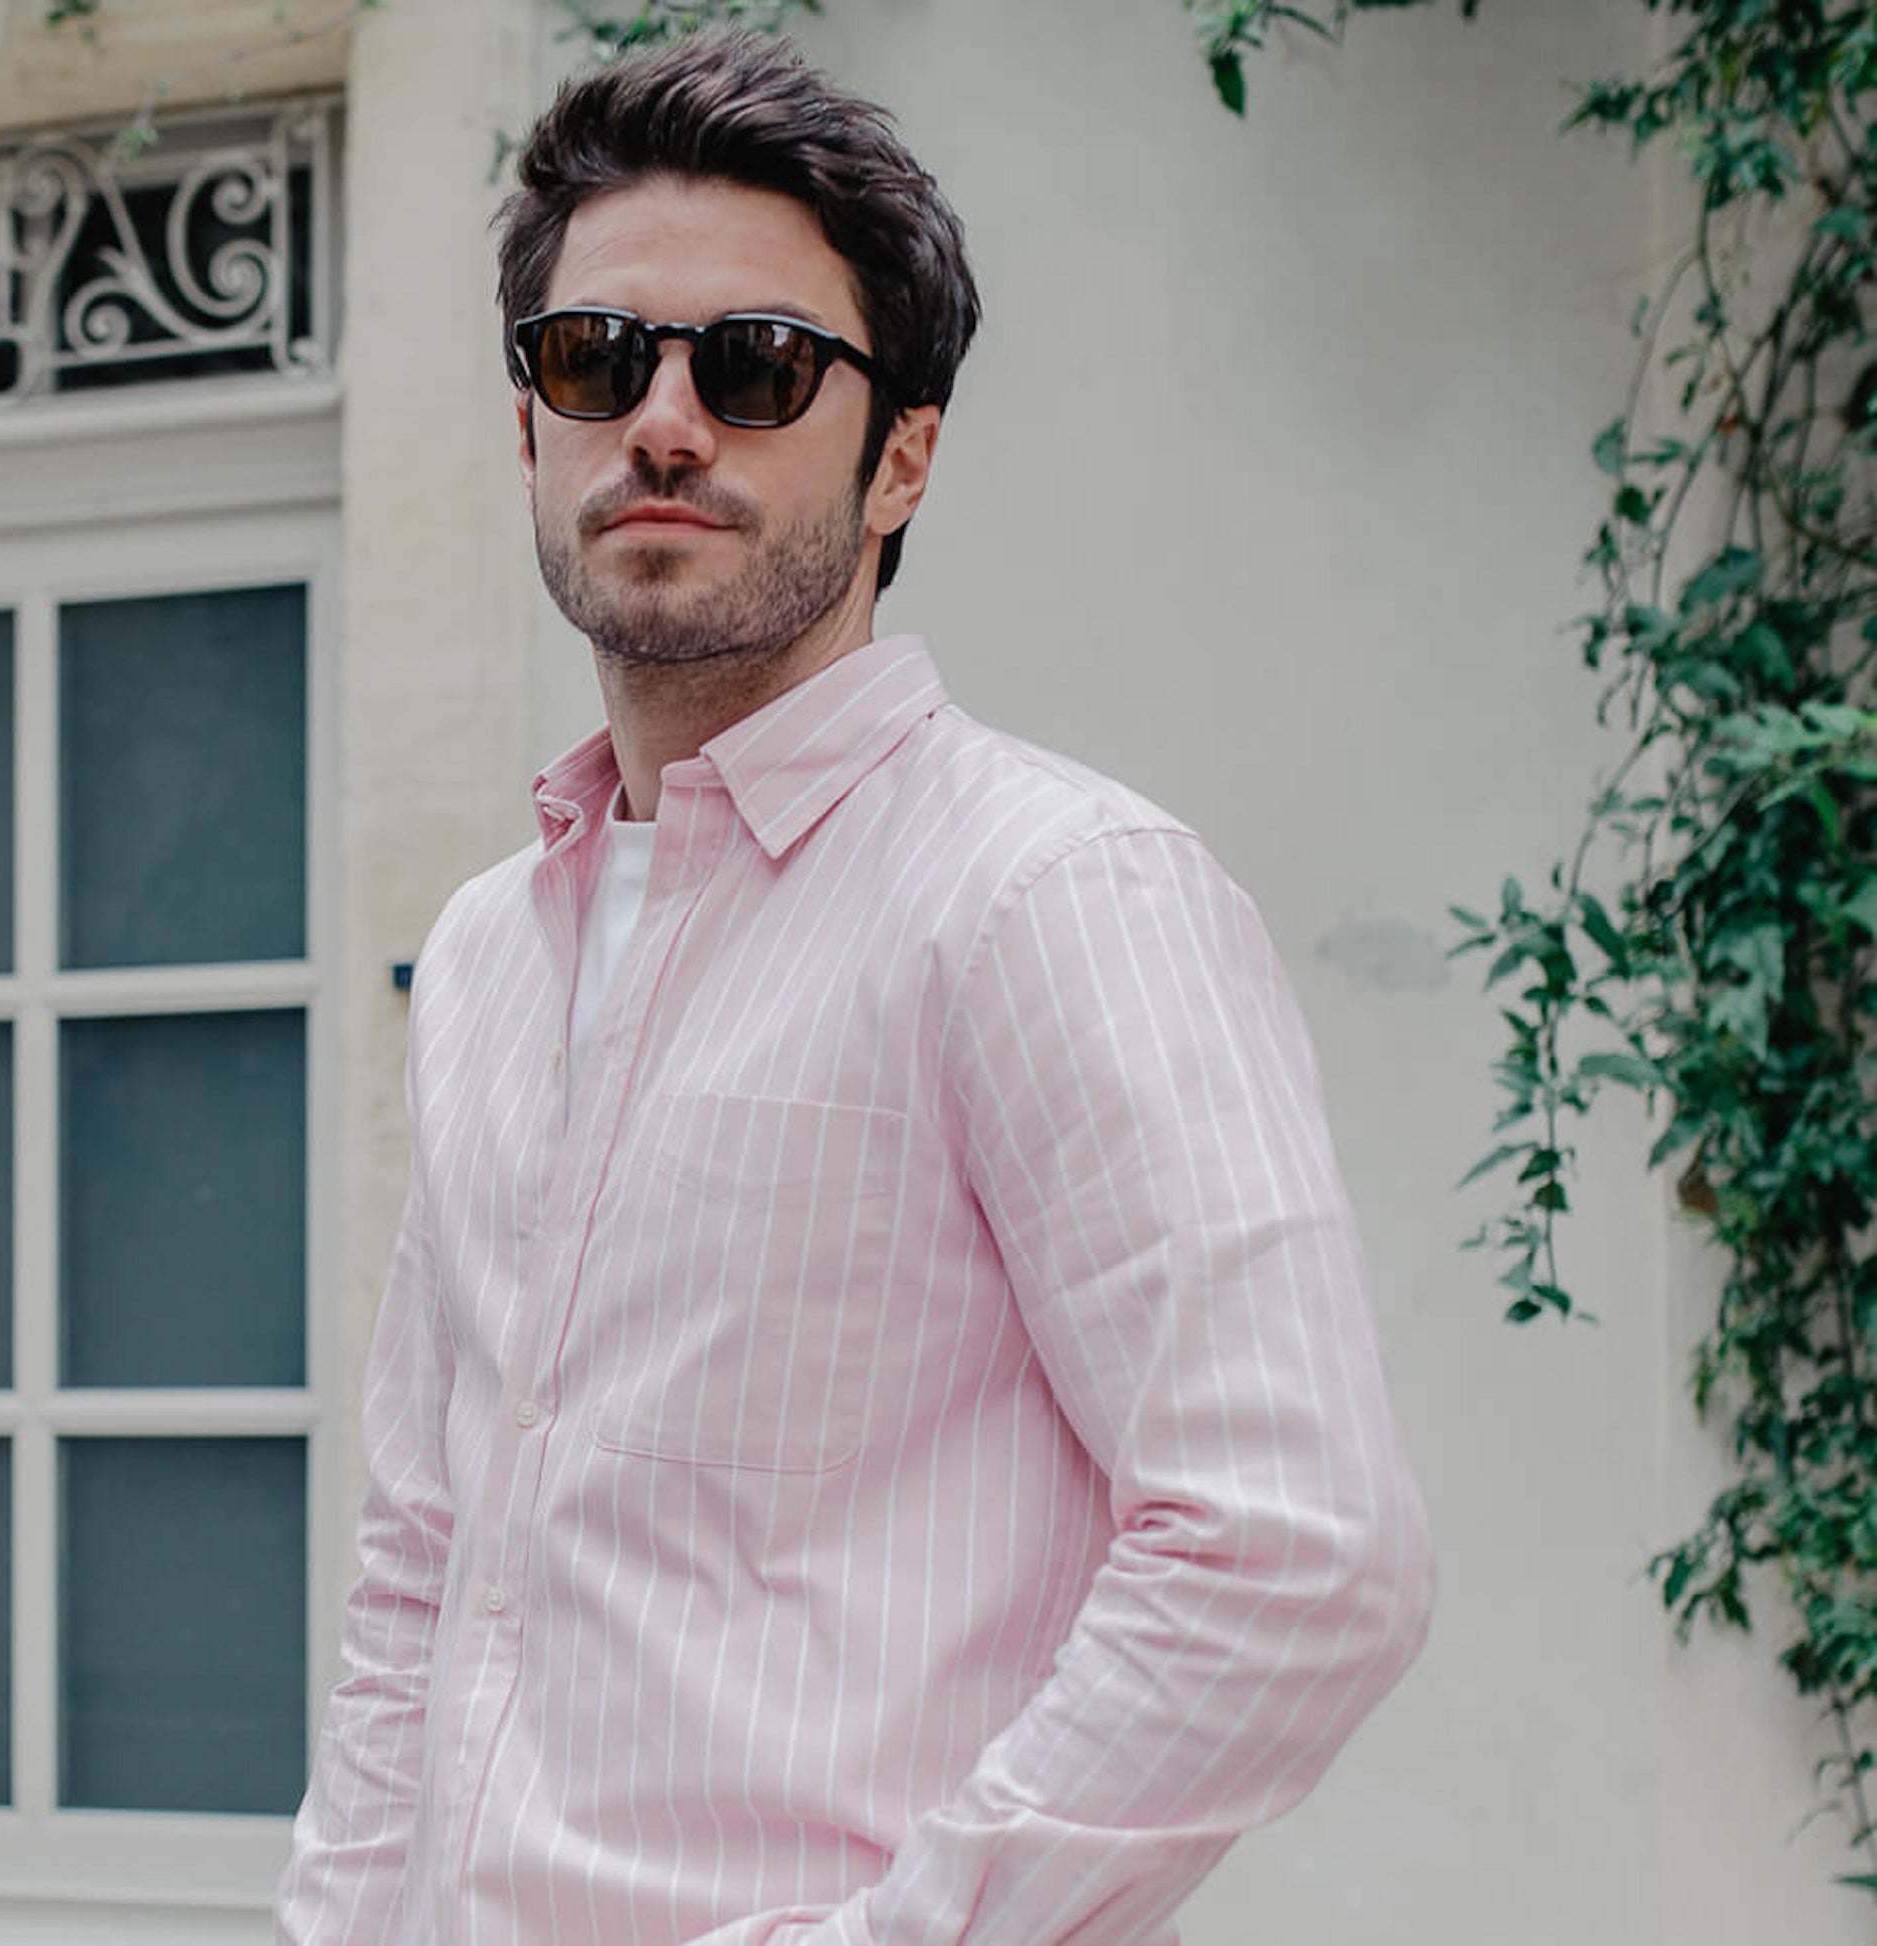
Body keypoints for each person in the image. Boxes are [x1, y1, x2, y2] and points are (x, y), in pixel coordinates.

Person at [277, 27, 1433, 1944]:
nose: (664, 423)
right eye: (594, 358)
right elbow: (425, 1554)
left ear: (900, 453)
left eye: (754, 367)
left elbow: (1292, 1555)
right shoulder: (490, 945)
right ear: (529, 427)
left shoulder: (1050, 895)